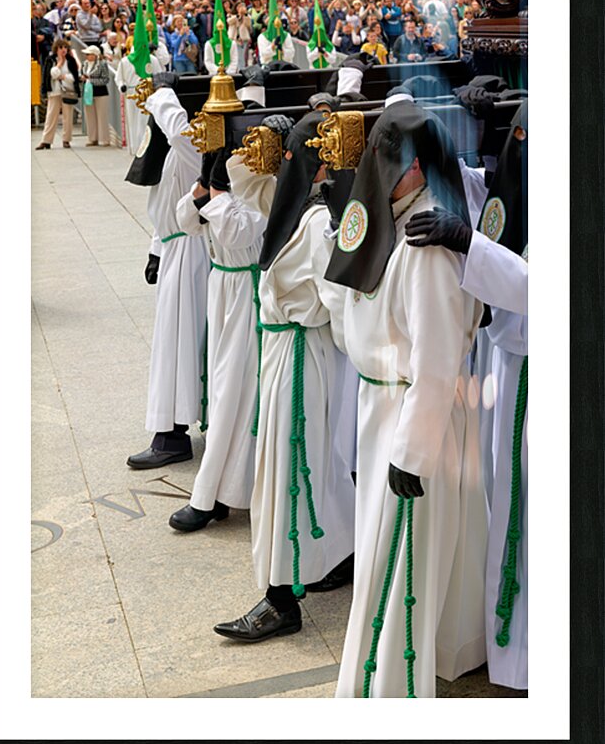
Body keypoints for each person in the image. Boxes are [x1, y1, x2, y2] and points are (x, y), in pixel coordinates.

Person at [327, 93, 487, 698]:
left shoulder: (426, 241)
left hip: (411, 414)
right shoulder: (392, 219)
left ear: (417, 167)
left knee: (397, 555)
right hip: (381, 405)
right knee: (401, 543)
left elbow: (438, 362)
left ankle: (386, 681)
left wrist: (412, 452)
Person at [214, 111, 356, 642]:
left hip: (300, 356)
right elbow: (243, 180)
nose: (283, 165)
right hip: (284, 350)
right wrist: (261, 142)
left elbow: (338, 298)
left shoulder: (317, 224)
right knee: (310, 464)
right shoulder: (291, 205)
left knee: (288, 470)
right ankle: (340, 553)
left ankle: (281, 599)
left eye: (292, 155)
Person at [405, 102, 529, 690]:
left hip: (540, 366)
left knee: (527, 507)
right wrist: (472, 144)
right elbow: (488, 196)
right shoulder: (515, 170)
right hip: (507, 359)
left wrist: (470, 245)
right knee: (505, 499)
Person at [169, 143, 268, 531]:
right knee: (223, 393)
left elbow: (236, 233)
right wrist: (204, 182)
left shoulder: (264, 180)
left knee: (235, 395)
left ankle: (212, 494)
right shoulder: (221, 179)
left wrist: (219, 188)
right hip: (223, 289)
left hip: (247, 295)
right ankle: (223, 490)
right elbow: (186, 221)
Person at [126, 75, 210, 469]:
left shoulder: (194, 148)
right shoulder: (174, 154)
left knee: (177, 346)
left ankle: (172, 435)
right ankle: (171, 429)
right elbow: (162, 204)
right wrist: (155, 248)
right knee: (173, 345)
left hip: (191, 254)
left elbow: (181, 134)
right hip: (175, 249)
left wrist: (161, 95)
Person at [114, 47, 162, 155]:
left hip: (148, 93)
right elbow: (119, 78)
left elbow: (159, 75)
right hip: (132, 94)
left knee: (145, 121)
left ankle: (147, 147)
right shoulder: (125, 61)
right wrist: (122, 86)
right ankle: (135, 147)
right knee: (132, 121)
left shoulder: (152, 60)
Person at [36, 38, 80, 150]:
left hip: (68, 91)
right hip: (54, 91)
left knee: (68, 116)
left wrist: (63, 77)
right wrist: (59, 65)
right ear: (56, 49)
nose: (63, 49)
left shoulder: (71, 60)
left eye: (65, 47)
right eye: (61, 47)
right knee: (51, 116)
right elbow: (51, 74)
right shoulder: (50, 60)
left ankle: (66, 140)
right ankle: (46, 141)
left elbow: (74, 77)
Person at [79, 45, 111, 147]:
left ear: (95, 55)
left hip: (100, 92)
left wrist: (91, 80)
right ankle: (92, 138)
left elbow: (105, 79)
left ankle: (105, 139)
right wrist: (82, 78)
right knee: (90, 117)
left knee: (102, 117)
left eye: (89, 54)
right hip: (88, 92)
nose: (87, 56)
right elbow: (81, 75)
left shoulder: (102, 64)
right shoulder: (84, 64)